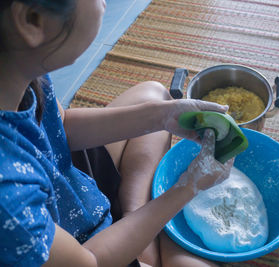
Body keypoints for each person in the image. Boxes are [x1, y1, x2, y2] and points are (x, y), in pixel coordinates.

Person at [0, 0, 234, 266]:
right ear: (32, 20)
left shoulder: (18, 63)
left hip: (67, 187)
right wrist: (189, 186)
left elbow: (60, 128)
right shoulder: (8, 199)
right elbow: (91, 261)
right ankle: (141, 242)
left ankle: (137, 224)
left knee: (153, 94)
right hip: (79, 250)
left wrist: (164, 117)